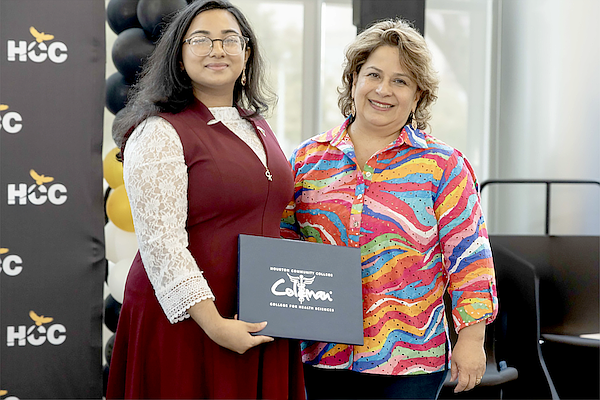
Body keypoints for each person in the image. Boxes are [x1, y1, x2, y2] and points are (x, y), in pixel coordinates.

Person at [281, 19, 498, 400]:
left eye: (400, 81)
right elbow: (283, 244)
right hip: (320, 353)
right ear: (354, 80)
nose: (383, 90)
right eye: (374, 75)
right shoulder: (307, 159)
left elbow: (470, 257)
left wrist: (472, 338)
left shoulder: (443, 166)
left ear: (418, 95)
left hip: (410, 361)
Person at [106, 1, 304, 398]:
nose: (217, 50)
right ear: (179, 57)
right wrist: (214, 324)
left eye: (230, 39)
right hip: (190, 320)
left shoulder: (256, 124)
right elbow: (162, 244)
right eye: (201, 40)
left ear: (247, 53)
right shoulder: (158, 132)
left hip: (256, 316)